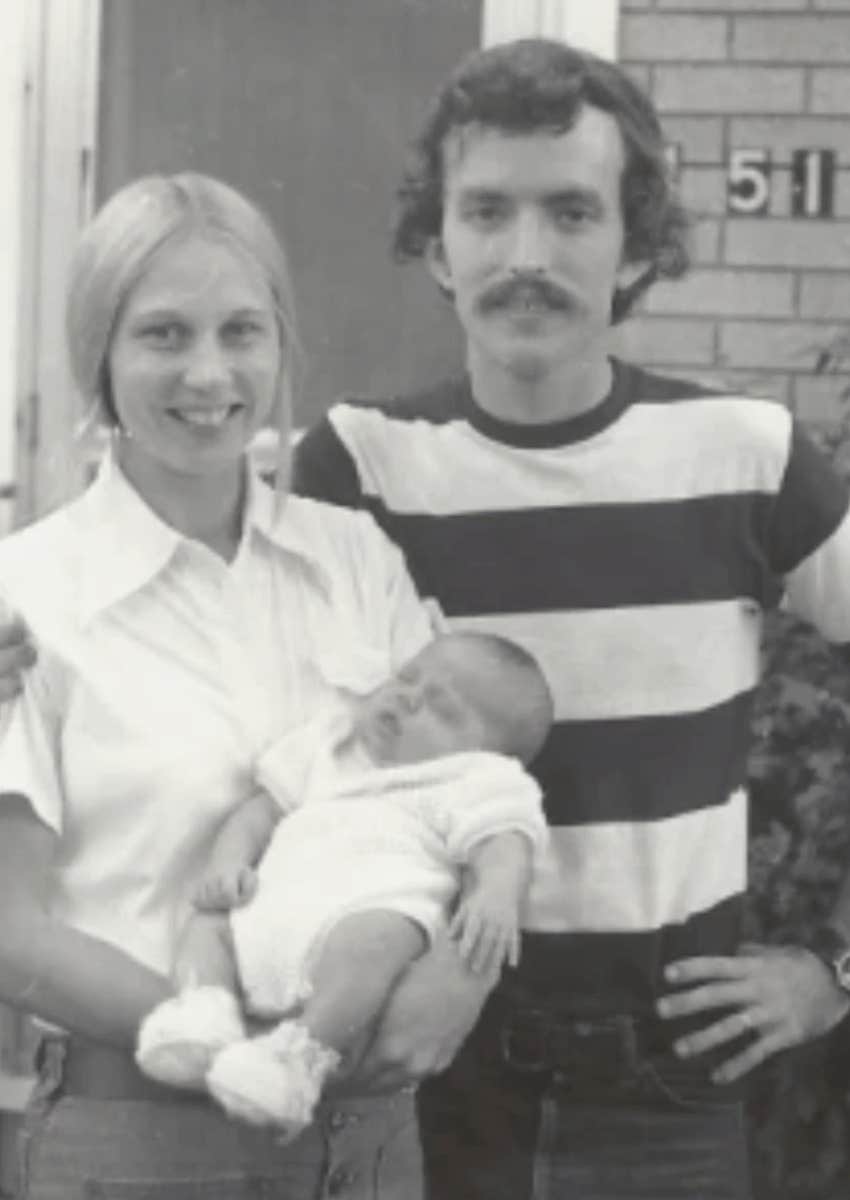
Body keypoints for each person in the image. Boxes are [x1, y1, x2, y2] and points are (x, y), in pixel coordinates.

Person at [287, 38, 850, 1200]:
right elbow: (238, 726)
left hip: (668, 1104)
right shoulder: (359, 468)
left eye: (572, 213)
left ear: (636, 243)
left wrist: (838, 970)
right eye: (486, 211)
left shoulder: (747, 460)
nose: (525, 257)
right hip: (414, 1087)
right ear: (435, 246)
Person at [0, 170, 463, 1200]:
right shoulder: (24, 597)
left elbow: (441, 800)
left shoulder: (356, 560)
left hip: (366, 1139)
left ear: (281, 344)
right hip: (141, 1141)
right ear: (98, 357)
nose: (209, 373)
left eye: (241, 331)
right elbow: (9, 928)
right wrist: (240, 1057)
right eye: (163, 334)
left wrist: (458, 975)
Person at [135, 631, 552, 1140]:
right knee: (208, 922)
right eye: (407, 677)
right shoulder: (327, 745)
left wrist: (495, 895)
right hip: (267, 909)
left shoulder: (470, 781)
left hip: (365, 917)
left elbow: (505, 842)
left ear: (484, 754)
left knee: (377, 938)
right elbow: (257, 813)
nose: (405, 697)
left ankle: (300, 1054)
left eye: (440, 709)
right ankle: (203, 1011)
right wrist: (228, 866)